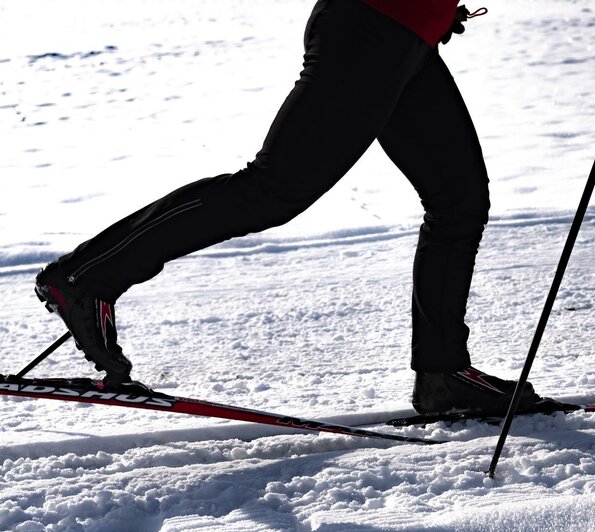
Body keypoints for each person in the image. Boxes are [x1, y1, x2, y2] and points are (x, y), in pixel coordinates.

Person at [34, 0, 544, 415]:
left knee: (459, 200)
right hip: (370, 27)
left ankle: (443, 373)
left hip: (406, 36)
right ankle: (85, 278)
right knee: (272, 189)